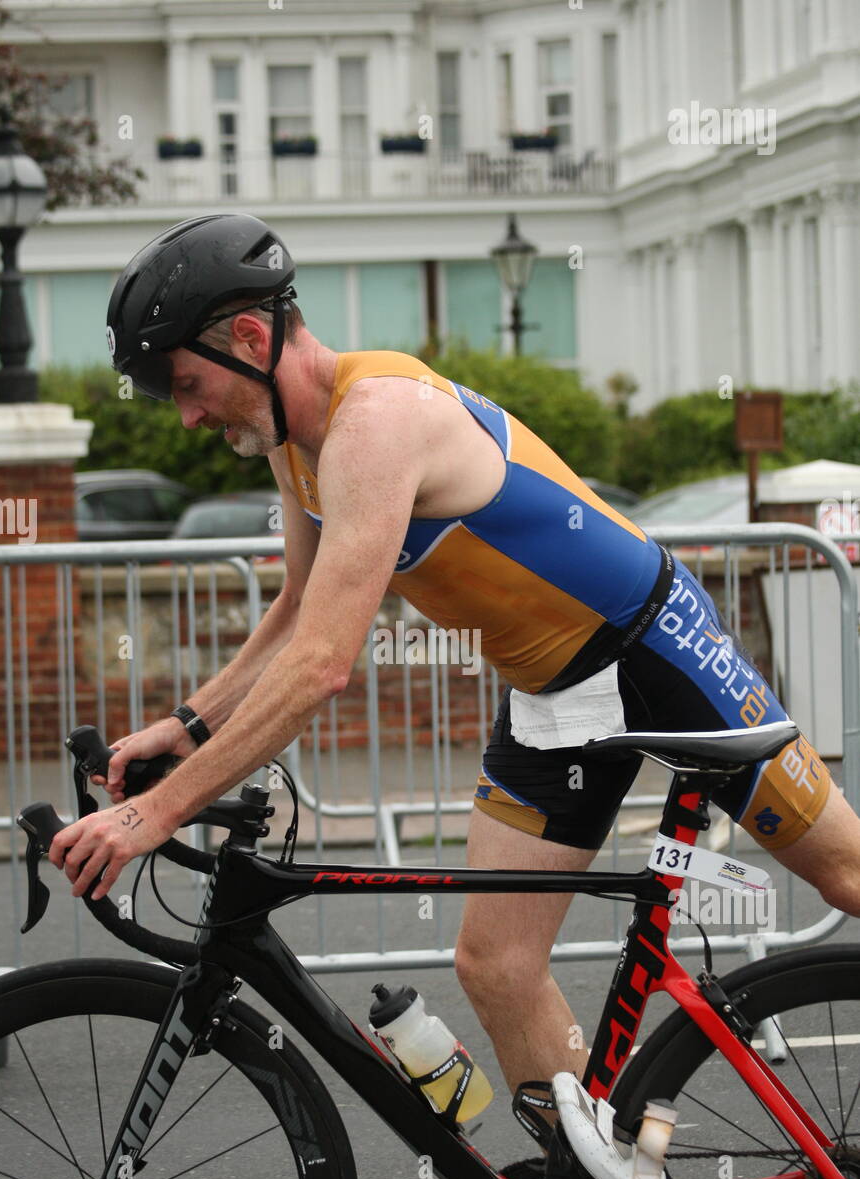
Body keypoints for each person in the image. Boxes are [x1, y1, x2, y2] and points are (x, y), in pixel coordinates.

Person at [51, 213, 860, 1129]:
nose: (188, 413)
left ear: (249, 339)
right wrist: (186, 725)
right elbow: (295, 612)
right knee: (496, 965)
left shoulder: (376, 420)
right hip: (552, 696)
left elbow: (321, 664)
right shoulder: (293, 440)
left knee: (844, 874)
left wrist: (155, 810)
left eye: (188, 385)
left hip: (653, 646)